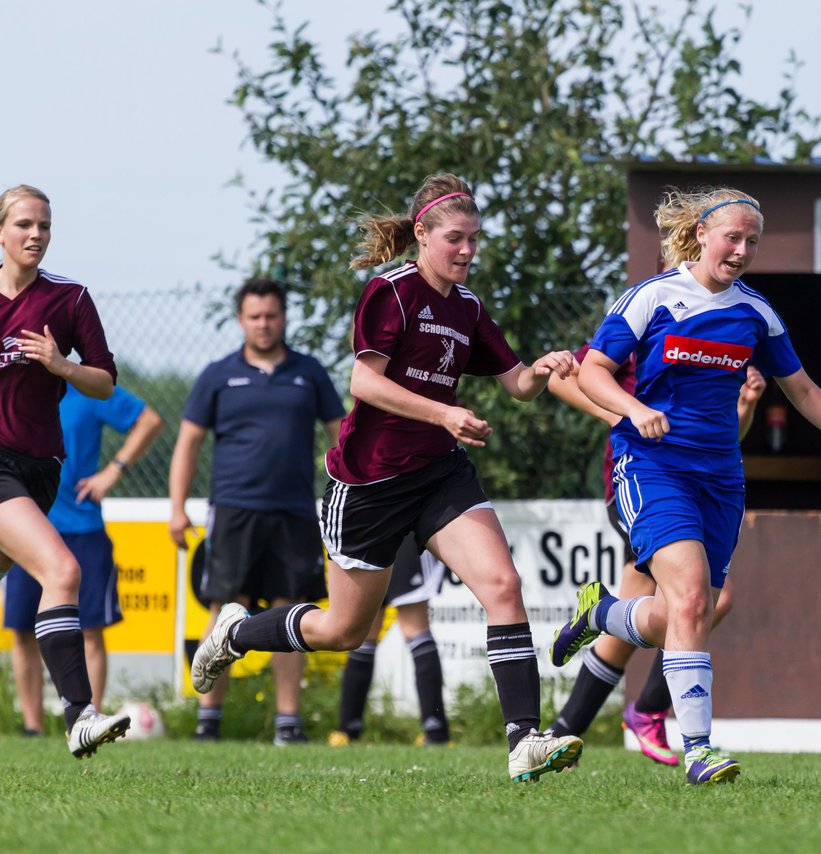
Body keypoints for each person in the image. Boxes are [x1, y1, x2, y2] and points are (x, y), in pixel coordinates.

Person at [188, 174, 583, 782]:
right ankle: (238, 633)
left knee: (503, 584)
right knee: (342, 630)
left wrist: (545, 369)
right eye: (456, 238)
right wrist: (446, 411)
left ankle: (524, 740)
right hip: (368, 484)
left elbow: (517, 385)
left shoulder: (468, 307)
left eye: (475, 239)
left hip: (438, 475)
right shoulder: (390, 292)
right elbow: (363, 383)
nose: (468, 251)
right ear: (422, 235)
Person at [550, 187, 821, 785]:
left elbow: (801, 389)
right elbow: (592, 370)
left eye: (752, 242)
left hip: (721, 478)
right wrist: (631, 410)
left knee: (689, 609)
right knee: (693, 597)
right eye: (732, 238)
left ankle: (605, 613)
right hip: (652, 468)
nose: (741, 250)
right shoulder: (652, 297)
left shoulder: (757, 313)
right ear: (700, 235)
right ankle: (698, 749)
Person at [546, 346, 764, 766]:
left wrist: (747, 406)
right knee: (698, 601)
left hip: (695, 490)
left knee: (662, 613)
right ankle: (651, 714)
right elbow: (562, 377)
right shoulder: (645, 316)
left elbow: (727, 435)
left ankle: (566, 729)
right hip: (644, 483)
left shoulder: (719, 341)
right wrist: (617, 413)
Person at [169, 278, 345, 745]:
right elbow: (188, 443)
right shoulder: (217, 374)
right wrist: (176, 508)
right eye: (255, 316)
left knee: (293, 613)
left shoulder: (309, 372)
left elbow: (340, 435)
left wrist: (355, 492)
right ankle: (208, 720)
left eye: (271, 315)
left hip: (294, 513)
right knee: (226, 610)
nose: (264, 324)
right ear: (241, 319)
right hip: (234, 511)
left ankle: (289, 724)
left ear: (283, 317)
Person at [0, 183, 131, 756]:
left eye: (45, 226)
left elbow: (105, 382)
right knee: (62, 571)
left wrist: (62, 365)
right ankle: (80, 717)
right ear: (1, 231)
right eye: (25, 224)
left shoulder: (70, 299)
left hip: (41, 470)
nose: (36, 235)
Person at [5, 383, 163, 733]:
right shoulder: (13, 383)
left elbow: (149, 420)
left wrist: (113, 470)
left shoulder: (86, 387)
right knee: (22, 631)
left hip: (82, 528)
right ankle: (33, 728)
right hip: (23, 525)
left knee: (89, 629)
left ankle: (89, 721)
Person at [328, 533, 452, 747]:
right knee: (362, 631)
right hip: (371, 531)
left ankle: (436, 730)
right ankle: (347, 729)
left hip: (407, 531)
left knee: (415, 627)